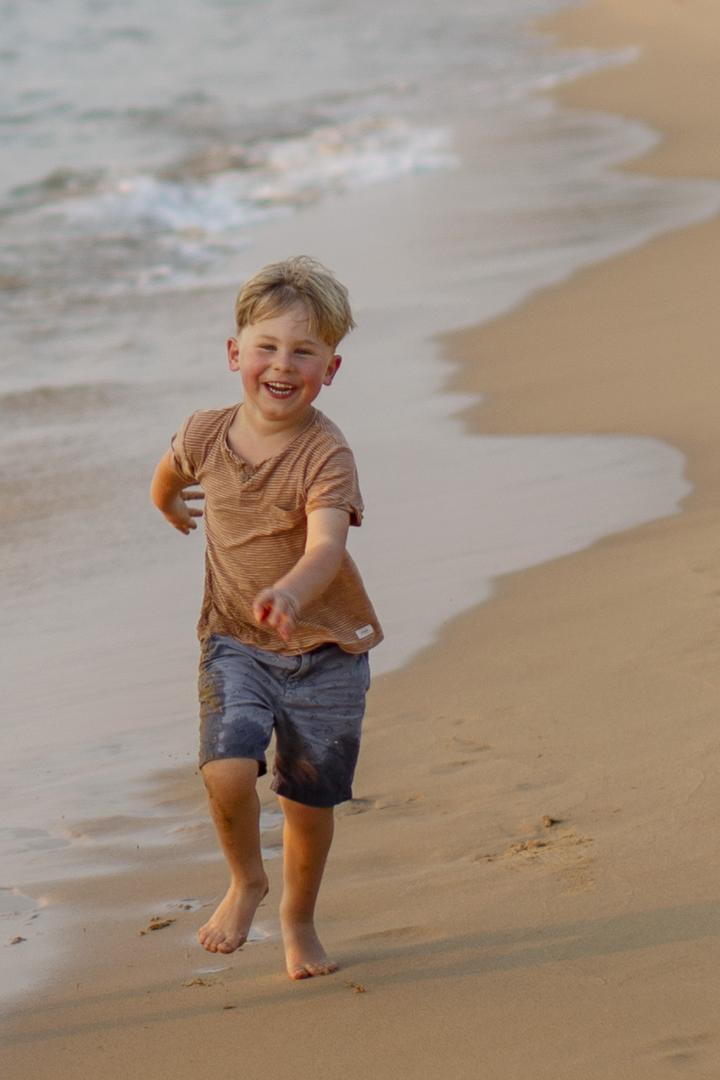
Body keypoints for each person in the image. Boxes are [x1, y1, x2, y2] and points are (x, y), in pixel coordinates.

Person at [150, 255, 382, 980]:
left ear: (330, 369)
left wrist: (291, 592)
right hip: (234, 641)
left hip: (326, 651)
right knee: (226, 770)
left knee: (307, 802)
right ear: (235, 354)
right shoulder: (204, 432)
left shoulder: (326, 454)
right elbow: (169, 471)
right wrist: (168, 502)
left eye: (303, 352)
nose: (283, 365)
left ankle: (298, 919)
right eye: (267, 347)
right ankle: (246, 880)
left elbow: (326, 547)